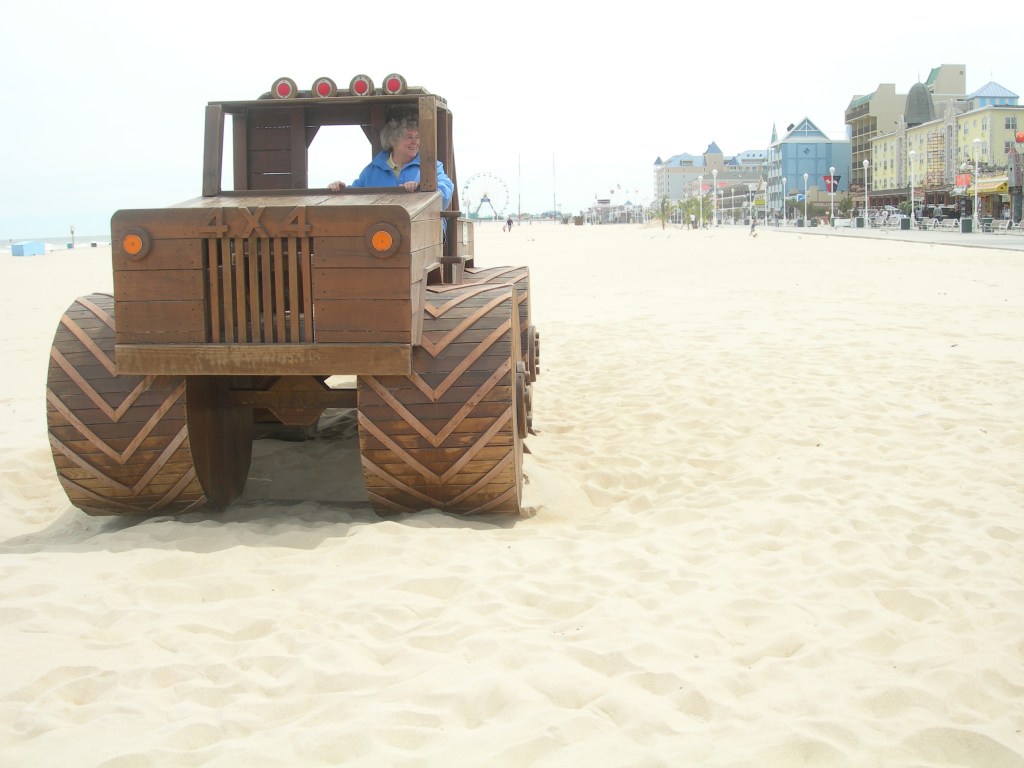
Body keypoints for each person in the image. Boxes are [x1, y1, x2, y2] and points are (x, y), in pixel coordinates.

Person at [329, 117, 453, 211]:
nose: (415, 142)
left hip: (423, 231)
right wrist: (340, 189)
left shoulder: (431, 166)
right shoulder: (372, 170)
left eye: (417, 137)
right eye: (409, 137)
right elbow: (354, 196)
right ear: (392, 140)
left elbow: (446, 192)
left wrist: (422, 186)